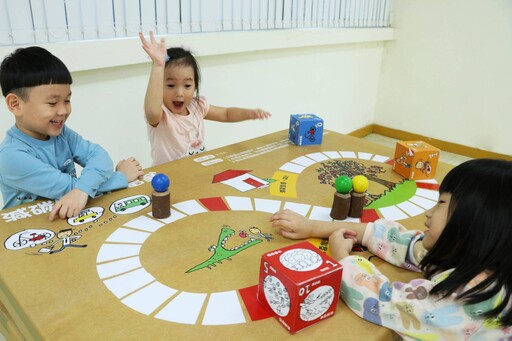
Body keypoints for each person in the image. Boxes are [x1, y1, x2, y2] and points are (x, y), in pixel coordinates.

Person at [270, 158, 512, 340]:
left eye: (441, 203)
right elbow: (402, 242)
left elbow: (380, 300)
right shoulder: (485, 253)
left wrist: (342, 258)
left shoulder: (468, 296)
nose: (429, 213)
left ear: (474, 225)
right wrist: (312, 226)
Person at [0, 46, 144, 220]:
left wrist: (81, 190)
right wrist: (120, 177)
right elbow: (69, 188)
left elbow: (99, 156)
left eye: (67, 100)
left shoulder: (61, 134)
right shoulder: (11, 156)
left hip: (66, 222)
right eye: (52, 103)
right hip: (28, 234)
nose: (63, 111)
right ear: (15, 104)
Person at [139, 31, 271, 166]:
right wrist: (158, 65)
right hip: (167, 179)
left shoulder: (197, 106)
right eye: (171, 85)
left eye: (187, 85)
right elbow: (152, 111)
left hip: (196, 174)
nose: (179, 93)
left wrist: (249, 113)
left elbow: (226, 114)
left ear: (195, 86)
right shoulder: (161, 115)